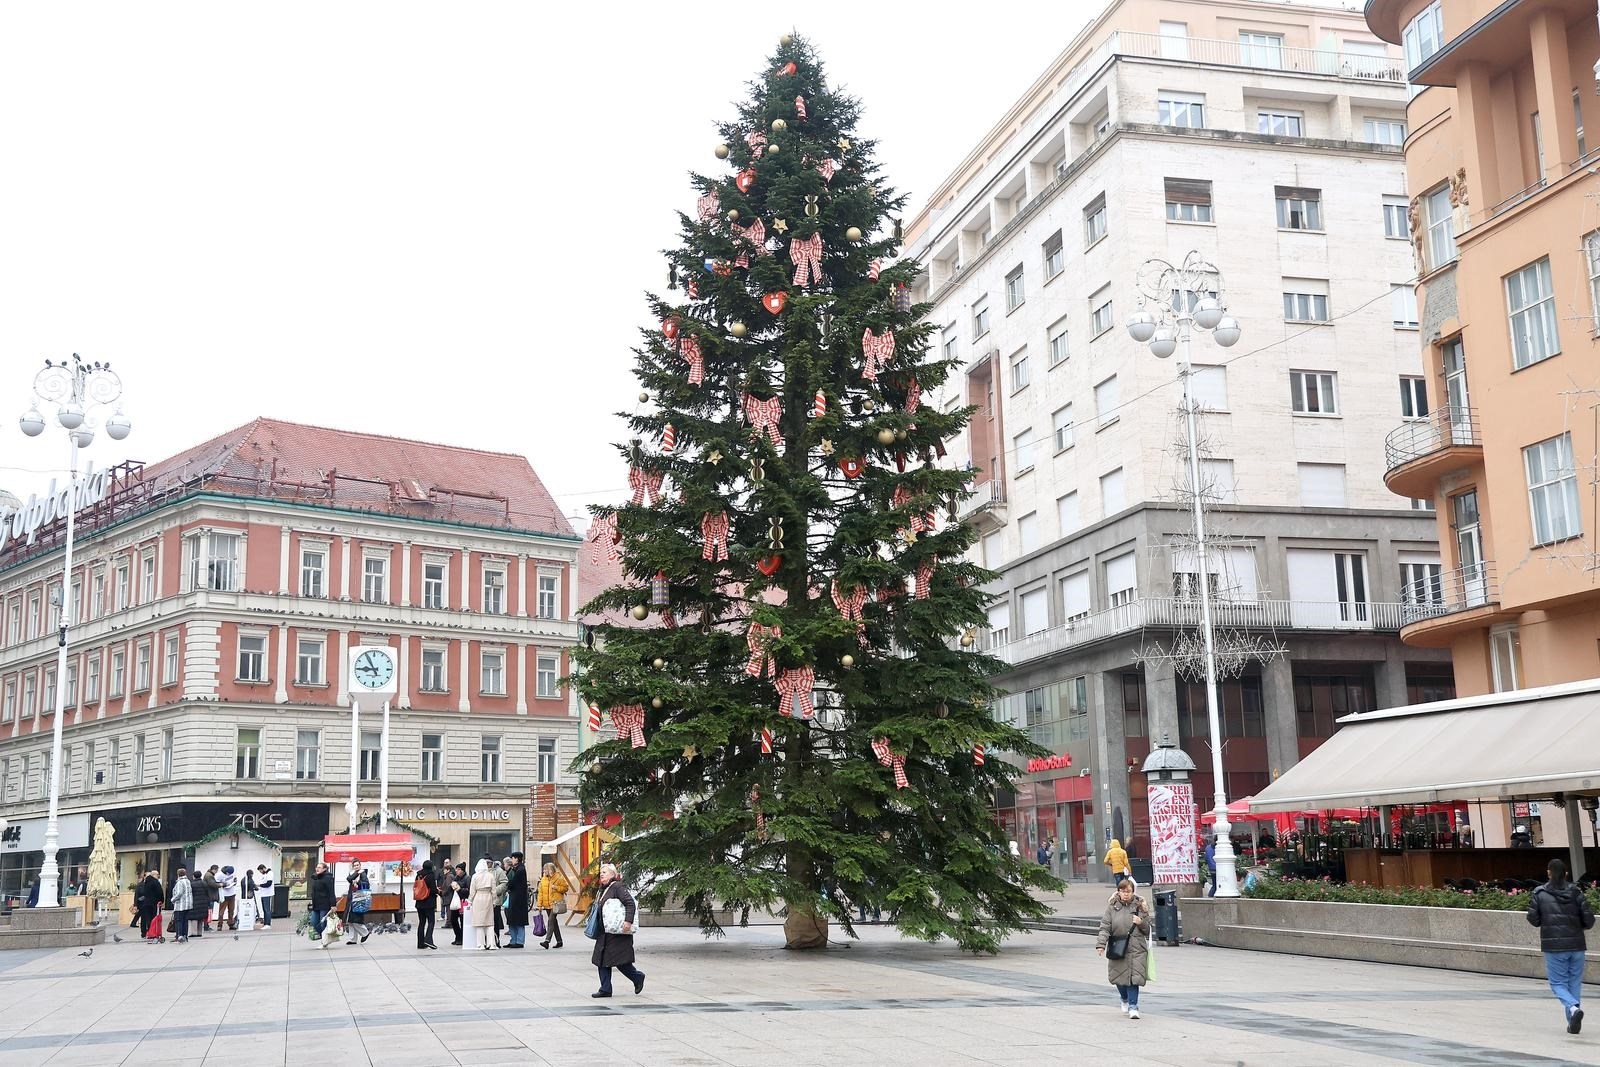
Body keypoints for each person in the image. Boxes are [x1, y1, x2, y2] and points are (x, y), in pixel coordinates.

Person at [1527, 858, 1596, 1034]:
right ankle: (1572, 1021)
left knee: (1557, 983)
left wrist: (1547, 922)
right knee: (1574, 984)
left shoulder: (1539, 893)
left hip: (1554, 947)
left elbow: (1533, 919)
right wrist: (1579, 927)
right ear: (1566, 874)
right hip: (1577, 945)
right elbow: (1589, 919)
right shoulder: (1576, 892)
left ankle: (1573, 1009)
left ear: (1548, 872)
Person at [1095, 877, 1152, 1019]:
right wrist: (1101, 945)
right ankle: (1124, 998)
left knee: (1134, 978)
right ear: (1118, 892)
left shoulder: (1140, 907)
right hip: (1118, 947)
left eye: (1129, 891)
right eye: (1123, 891)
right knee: (1119, 978)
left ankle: (1134, 1007)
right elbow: (1105, 927)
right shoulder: (1112, 908)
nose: (1126, 894)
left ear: (1133, 892)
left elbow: (1149, 929)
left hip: (1137, 948)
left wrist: (1141, 922)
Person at [590, 863, 645, 998]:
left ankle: (638, 977)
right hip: (605, 932)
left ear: (613, 875)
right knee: (601, 960)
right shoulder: (604, 889)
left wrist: (628, 921)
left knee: (621, 962)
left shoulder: (617, 887)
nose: (601, 874)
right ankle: (605, 989)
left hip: (618, 932)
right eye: (601, 872)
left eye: (605, 872)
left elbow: (630, 903)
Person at [537, 861, 571, 949]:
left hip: (555, 904)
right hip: (547, 904)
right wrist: (539, 905)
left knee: (550, 921)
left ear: (550, 870)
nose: (544, 871)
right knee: (554, 923)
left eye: (545, 869)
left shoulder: (558, 878)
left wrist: (556, 887)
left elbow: (565, 888)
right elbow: (540, 893)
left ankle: (547, 941)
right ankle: (559, 941)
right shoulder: (543, 879)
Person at [469, 859, 498, 951]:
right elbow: (494, 890)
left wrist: (470, 901)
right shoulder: (490, 876)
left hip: (478, 898)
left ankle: (480, 944)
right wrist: (494, 901)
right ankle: (491, 944)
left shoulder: (475, 876)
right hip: (488, 897)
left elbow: (472, 890)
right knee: (489, 922)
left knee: (479, 923)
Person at [503, 852, 531, 948]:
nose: (512, 860)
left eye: (513, 858)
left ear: (517, 859)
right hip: (514, 897)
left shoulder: (521, 869)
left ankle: (519, 941)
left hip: (519, 899)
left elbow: (512, 882)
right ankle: (513, 940)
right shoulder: (516, 868)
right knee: (512, 920)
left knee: (518, 921)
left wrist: (508, 884)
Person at [344, 862, 372, 945]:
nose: (356, 867)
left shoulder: (363, 874)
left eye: (357, 865)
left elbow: (366, 884)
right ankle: (353, 939)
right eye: (354, 865)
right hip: (351, 898)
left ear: (360, 865)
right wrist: (356, 873)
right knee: (350, 920)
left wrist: (358, 883)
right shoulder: (353, 873)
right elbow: (349, 879)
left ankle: (365, 933)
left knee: (356, 919)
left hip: (359, 899)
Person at [309, 860, 336, 942]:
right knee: (313, 921)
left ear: (324, 869)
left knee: (323, 923)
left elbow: (331, 891)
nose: (317, 869)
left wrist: (333, 905)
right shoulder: (315, 877)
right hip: (316, 904)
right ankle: (323, 936)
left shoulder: (328, 878)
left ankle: (325, 940)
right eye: (316, 867)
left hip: (325, 904)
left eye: (319, 867)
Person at [414, 860, 438, 950]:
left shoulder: (418, 875)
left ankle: (420, 943)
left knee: (422, 922)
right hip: (428, 903)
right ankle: (428, 940)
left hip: (419, 902)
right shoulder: (430, 875)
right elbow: (433, 890)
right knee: (431, 921)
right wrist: (439, 892)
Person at [133, 870, 163, 938]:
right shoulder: (143, 884)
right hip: (145, 904)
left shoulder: (149, 883)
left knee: (149, 919)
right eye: (157, 874)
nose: (158, 876)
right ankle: (145, 932)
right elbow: (137, 894)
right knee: (146, 919)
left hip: (147, 903)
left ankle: (149, 932)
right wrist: (136, 904)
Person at [169, 867, 193, 943]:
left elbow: (179, 893)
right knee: (185, 921)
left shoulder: (180, 882)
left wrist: (172, 899)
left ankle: (179, 935)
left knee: (178, 920)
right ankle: (185, 935)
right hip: (188, 904)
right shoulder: (188, 881)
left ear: (178, 874)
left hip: (180, 905)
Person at [491, 856, 509, 948]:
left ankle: (496, 940)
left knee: (495, 922)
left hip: (495, 900)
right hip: (484, 901)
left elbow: (505, 882)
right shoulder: (482, 871)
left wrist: (495, 890)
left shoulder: (498, 871)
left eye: (489, 862)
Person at [189, 870, 210, 937]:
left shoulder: (192, 884)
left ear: (194, 876)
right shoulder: (204, 883)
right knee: (200, 918)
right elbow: (207, 893)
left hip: (195, 902)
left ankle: (194, 932)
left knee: (194, 918)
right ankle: (199, 932)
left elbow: (190, 894)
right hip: (203, 903)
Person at [218, 865, 239, 930]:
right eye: (228, 873)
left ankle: (231, 923)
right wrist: (224, 885)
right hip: (224, 895)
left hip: (232, 893)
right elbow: (216, 883)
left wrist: (234, 882)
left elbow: (235, 879)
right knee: (221, 911)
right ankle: (220, 924)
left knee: (231, 910)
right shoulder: (220, 875)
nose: (229, 874)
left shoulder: (233, 873)